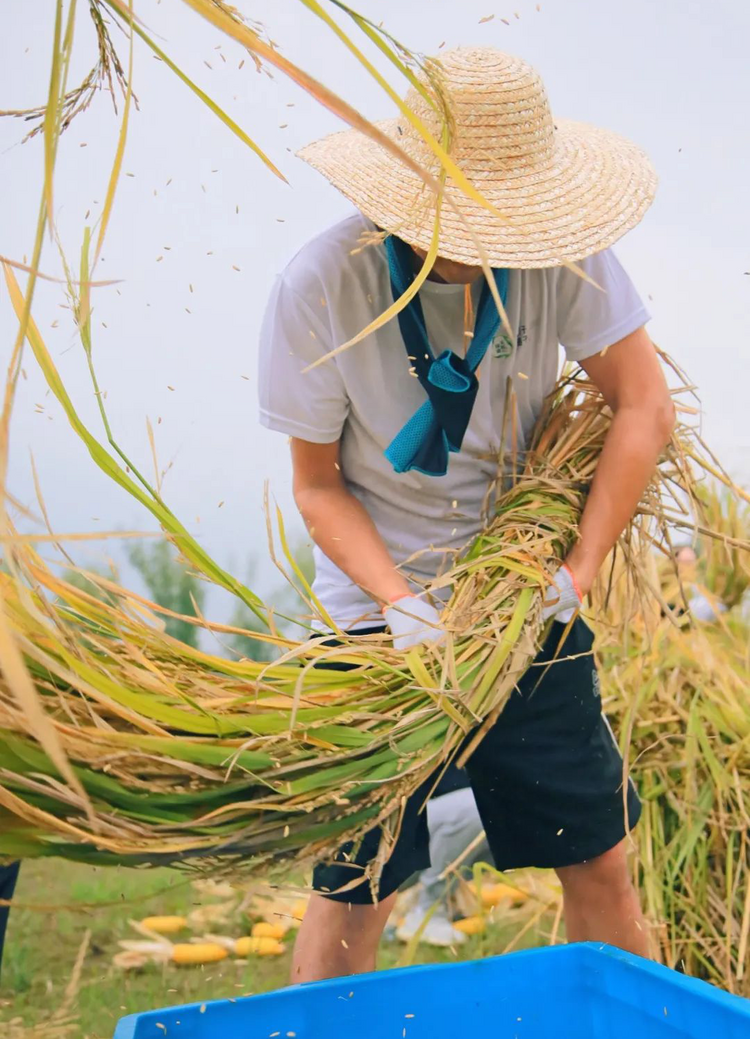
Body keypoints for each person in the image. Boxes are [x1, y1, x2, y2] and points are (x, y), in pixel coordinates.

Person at [258, 47, 674, 982]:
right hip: (376, 620)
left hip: (525, 600)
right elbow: (319, 486)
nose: (500, 237)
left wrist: (577, 569)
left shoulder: (558, 252)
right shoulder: (322, 285)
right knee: (357, 879)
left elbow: (642, 405)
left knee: (599, 857)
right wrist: (402, 607)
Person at [394, 764, 490, 947]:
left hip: (429, 830)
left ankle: (434, 902)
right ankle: (428, 910)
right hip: (406, 831)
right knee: (478, 807)